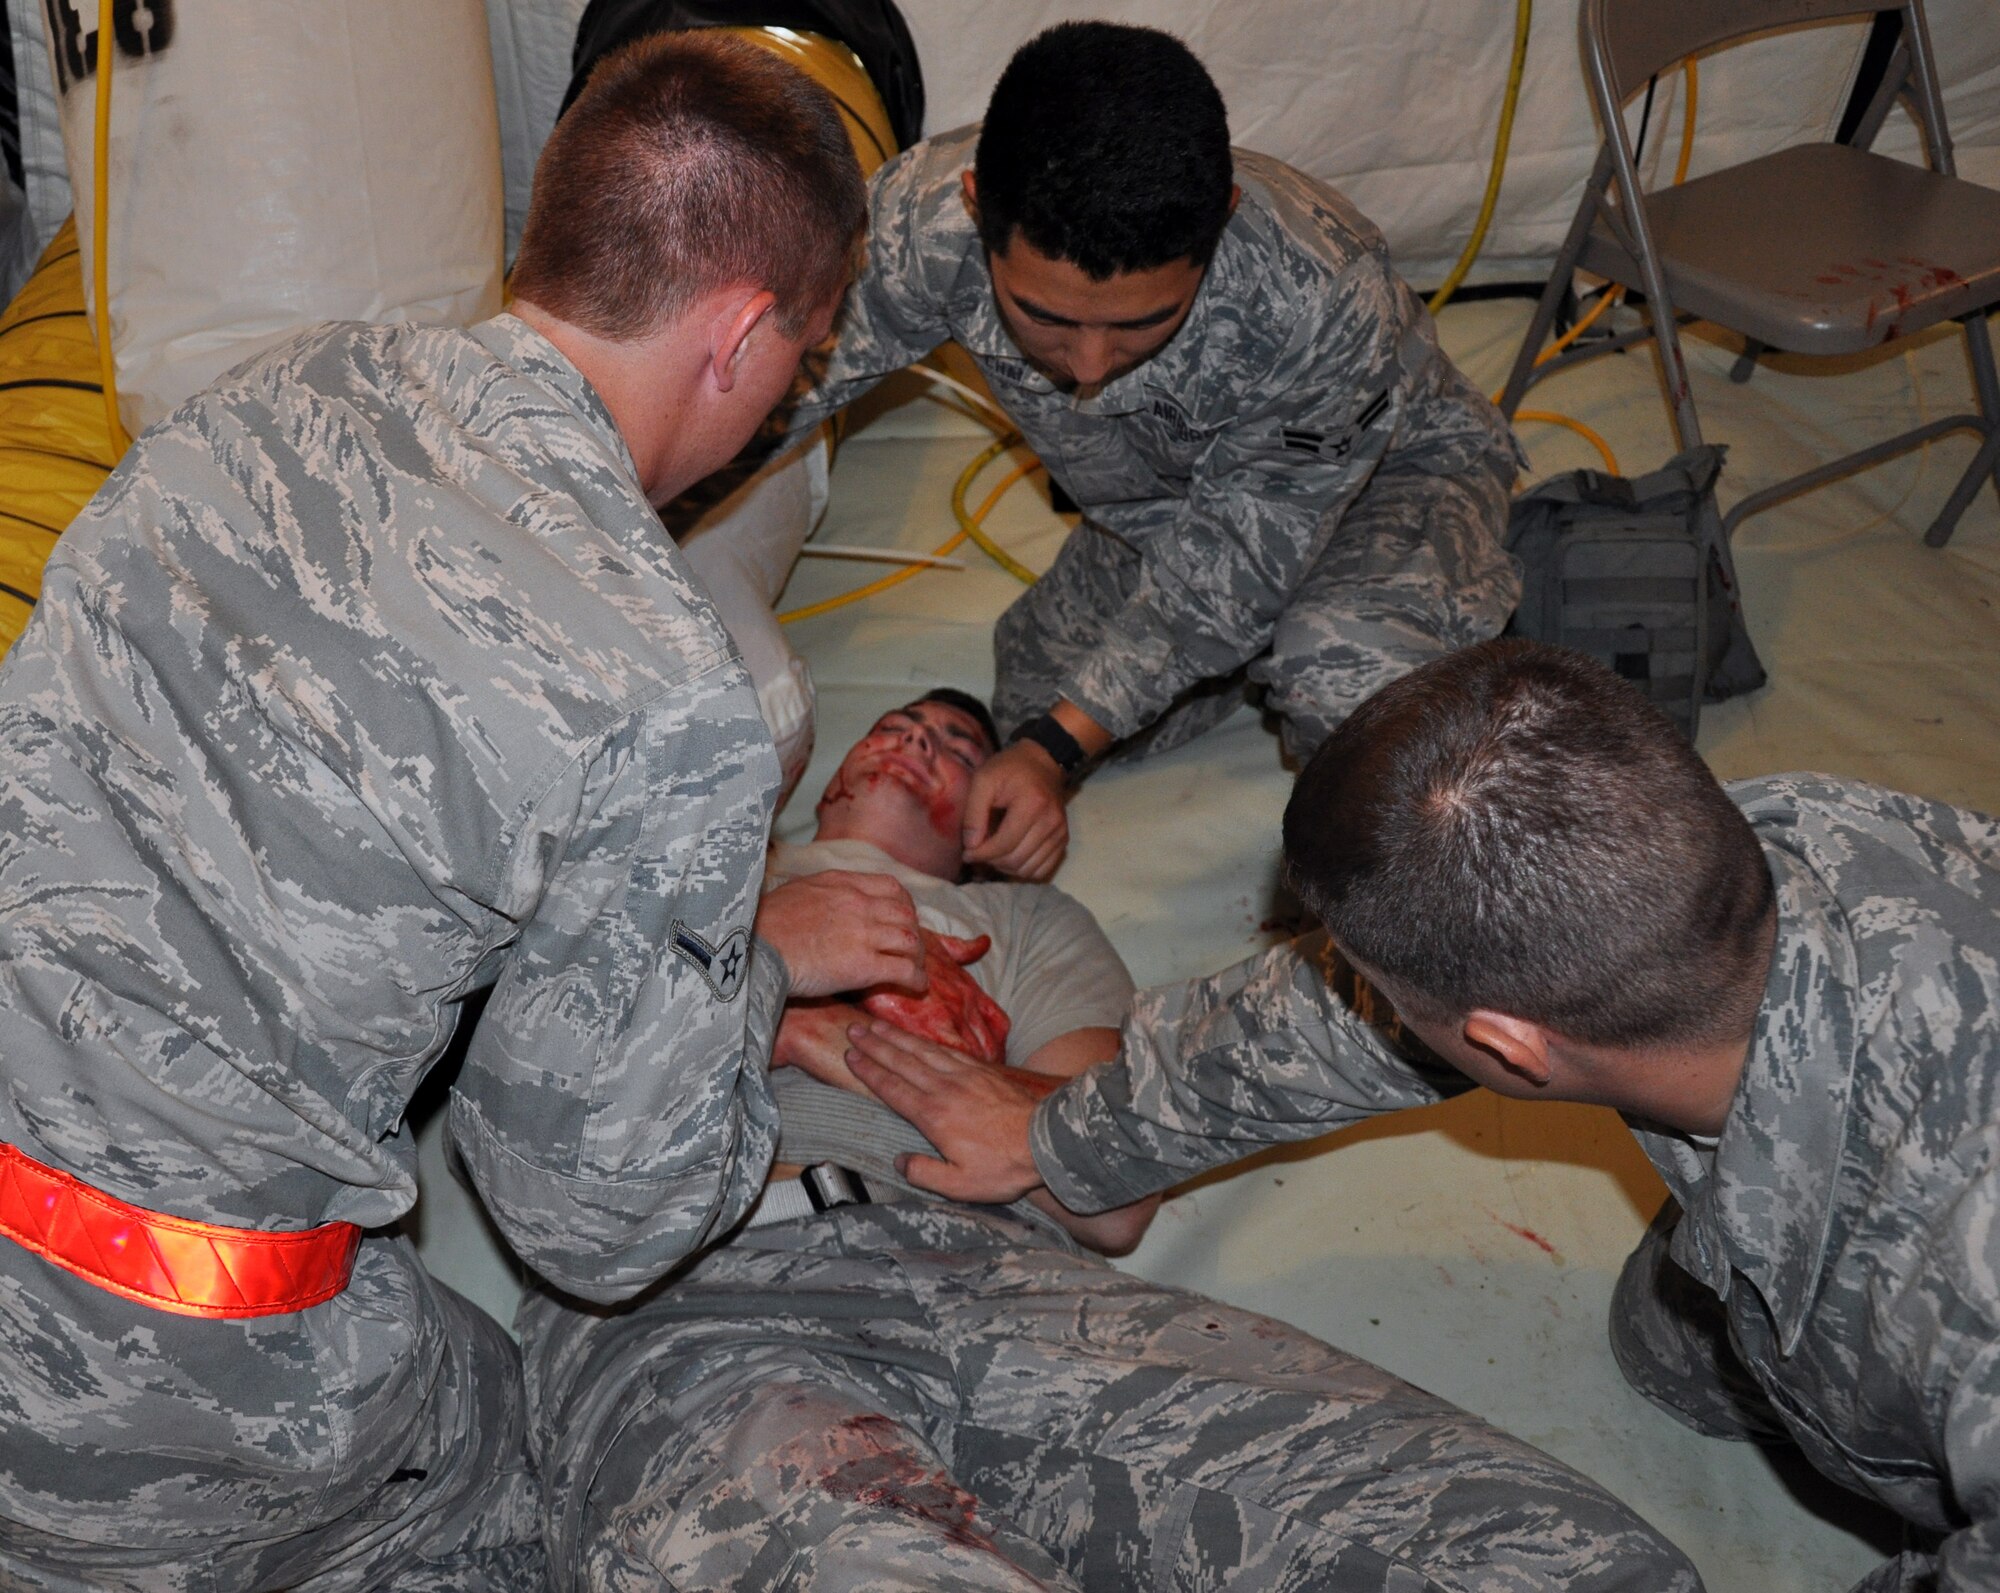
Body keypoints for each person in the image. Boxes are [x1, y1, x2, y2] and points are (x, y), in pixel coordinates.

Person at [0, 33, 936, 1592]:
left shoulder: (258, 399)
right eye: (807, 350)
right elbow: (601, 1223)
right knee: (542, 1454)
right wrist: (749, 976)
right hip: (149, 1396)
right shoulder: (662, 687)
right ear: (742, 334)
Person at [845, 639, 2000, 1593]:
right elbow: (1328, 1023)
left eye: (1401, 1002)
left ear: (1507, 1049)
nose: (1370, 1008)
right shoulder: (1778, 838)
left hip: (1930, 1325)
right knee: (1668, 1344)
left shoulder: (1958, 1293)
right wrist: (1058, 1137)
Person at [517, 687, 1702, 1592]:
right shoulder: (701, 870)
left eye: (955, 743)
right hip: (693, 1283)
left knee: (1548, 1558)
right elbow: (527, 1080)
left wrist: (851, 1041)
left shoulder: (1027, 924)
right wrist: (770, 975)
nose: (916, 738)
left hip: (1003, 1288)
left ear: (983, 826)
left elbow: (1107, 1196)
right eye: (893, 724)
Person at [776, 20, 1522, 881]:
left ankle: (1431, 662)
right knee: (1033, 690)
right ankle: (1260, 656)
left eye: (1142, 322)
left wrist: (1058, 748)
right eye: (1045, 316)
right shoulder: (925, 219)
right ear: (978, 207)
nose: (1089, 367)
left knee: (1338, 673)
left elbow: (1239, 560)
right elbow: (780, 379)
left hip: (1393, 482)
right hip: (1169, 511)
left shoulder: (1322, 295)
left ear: (1223, 220)